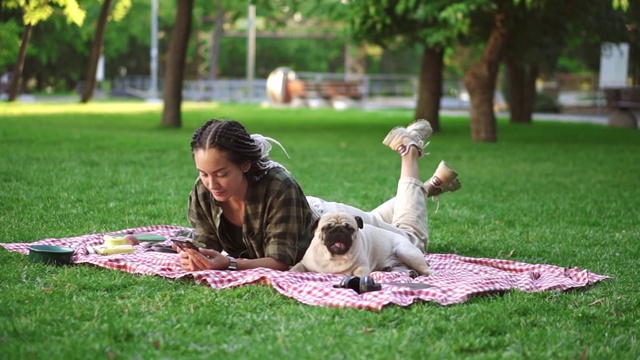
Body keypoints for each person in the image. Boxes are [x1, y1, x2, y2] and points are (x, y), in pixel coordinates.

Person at [177, 119, 460, 272]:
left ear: (245, 165)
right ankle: (426, 189)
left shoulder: (278, 187)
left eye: (221, 173)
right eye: (203, 173)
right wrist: (197, 257)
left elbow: (281, 262)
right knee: (375, 219)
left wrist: (231, 264)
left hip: (325, 222)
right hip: (321, 220)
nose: (210, 183)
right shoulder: (203, 192)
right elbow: (206, 245)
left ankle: (409, 152)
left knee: (408, 237)